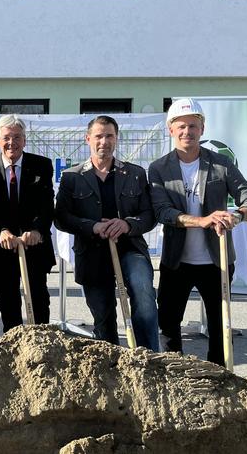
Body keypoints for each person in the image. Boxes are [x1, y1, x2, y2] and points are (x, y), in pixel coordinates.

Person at [148, 98, 247, 366]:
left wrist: (237, 216)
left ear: (202, 129)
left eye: (193, 126)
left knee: (219, 324)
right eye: (181, 127)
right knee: (168, 323)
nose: (187, 132)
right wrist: (201, 221)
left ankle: (220, 377)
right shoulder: (159, 169)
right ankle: (174, 375)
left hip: (217, 260)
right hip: (177, 261)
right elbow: (162, 212)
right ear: (171, 130)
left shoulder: (221, 164)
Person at [55, 116, 160, 351]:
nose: (104, 141)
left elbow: (149, 214)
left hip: (130, 248)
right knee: (103, 316)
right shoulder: (73, 177)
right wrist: (91, 226)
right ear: (88, 139)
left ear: (116, 138)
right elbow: (62, 218)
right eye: (99, 136)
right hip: (92, 254)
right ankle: (111, 366)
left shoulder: (134, 173)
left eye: (109, 136)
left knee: (143, 293)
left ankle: (150, 358)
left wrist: (127, 224)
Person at [0, 115, 55, 332]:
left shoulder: (42, 166)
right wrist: (0, 231)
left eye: (17, 137)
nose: (12, 143)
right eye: (7, 138)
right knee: (8, 305)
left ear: (25, 140)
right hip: (1, 248)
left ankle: (41, 346)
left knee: (39, 301)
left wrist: (37, 229)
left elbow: (47, 204)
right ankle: (13, 350)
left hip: (34, 246)